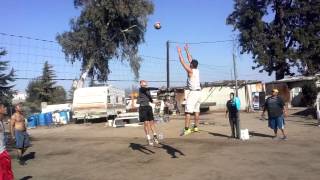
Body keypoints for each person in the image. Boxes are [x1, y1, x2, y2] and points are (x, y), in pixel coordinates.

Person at [177, 44, 201, 135]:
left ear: (191, 65)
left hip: (193, 93)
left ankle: (186, 129)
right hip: (199, 93)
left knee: (188, 111)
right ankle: (195, 127)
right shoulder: (197, 70)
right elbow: (190, 59)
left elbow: (182, 62)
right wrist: (186, 50)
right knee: (196, 111)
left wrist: (179, 52)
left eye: (190, 63)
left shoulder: (190, 71)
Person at [137, 80, 159, 146]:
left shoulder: (147, 91)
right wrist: (158, 88)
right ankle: (148, 138)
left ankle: (155, 136)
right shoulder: (141, 89)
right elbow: (148, 88)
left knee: (152, 122)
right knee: (146, 123)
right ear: (141, 84)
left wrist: (155, 102)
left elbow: (150, 99)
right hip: (142, 108)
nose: (145, 84)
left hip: (148, 107)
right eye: (143, 83)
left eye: (146, 83)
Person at [0, 103, 14, 180]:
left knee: (7, 174)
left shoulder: (1, 121)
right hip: (1, 153)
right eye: (3, 107)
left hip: (3, 151)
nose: (5, 108)